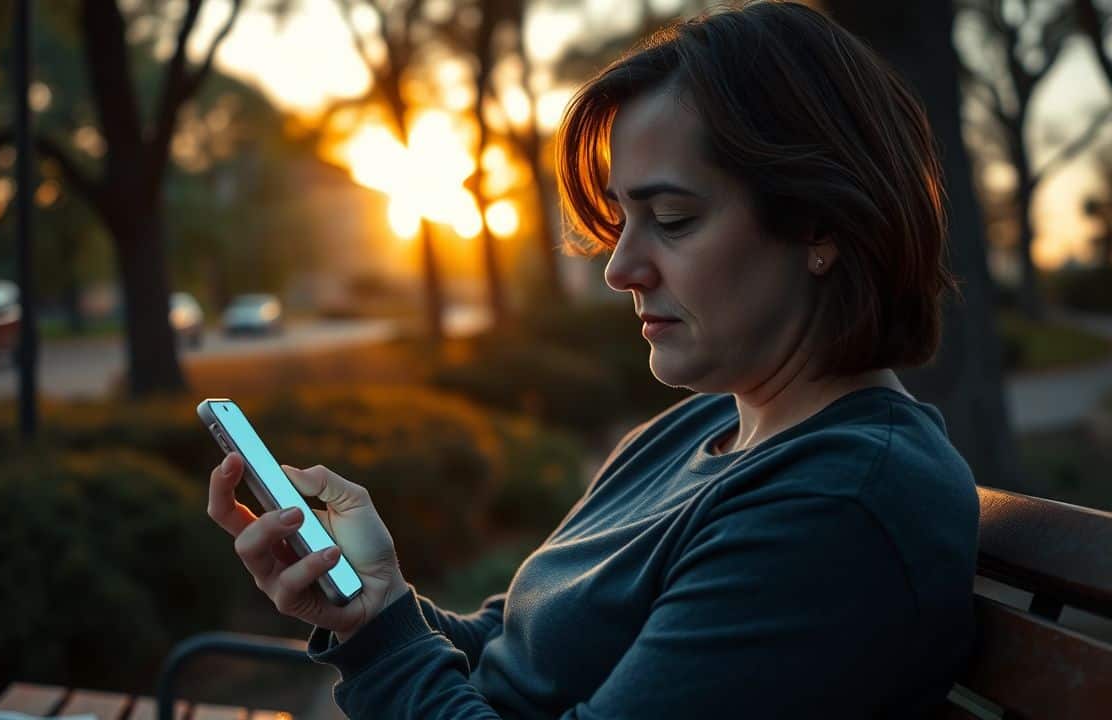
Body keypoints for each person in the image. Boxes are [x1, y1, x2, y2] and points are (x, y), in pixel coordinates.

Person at [206, 1, 979, 716]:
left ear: (822, 227)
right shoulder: (698, 430)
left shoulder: (834, 509)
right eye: (620, 219)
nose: (619, 268)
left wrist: (383, 645)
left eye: (672, 220)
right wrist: (371, 603)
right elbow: (514, 651)